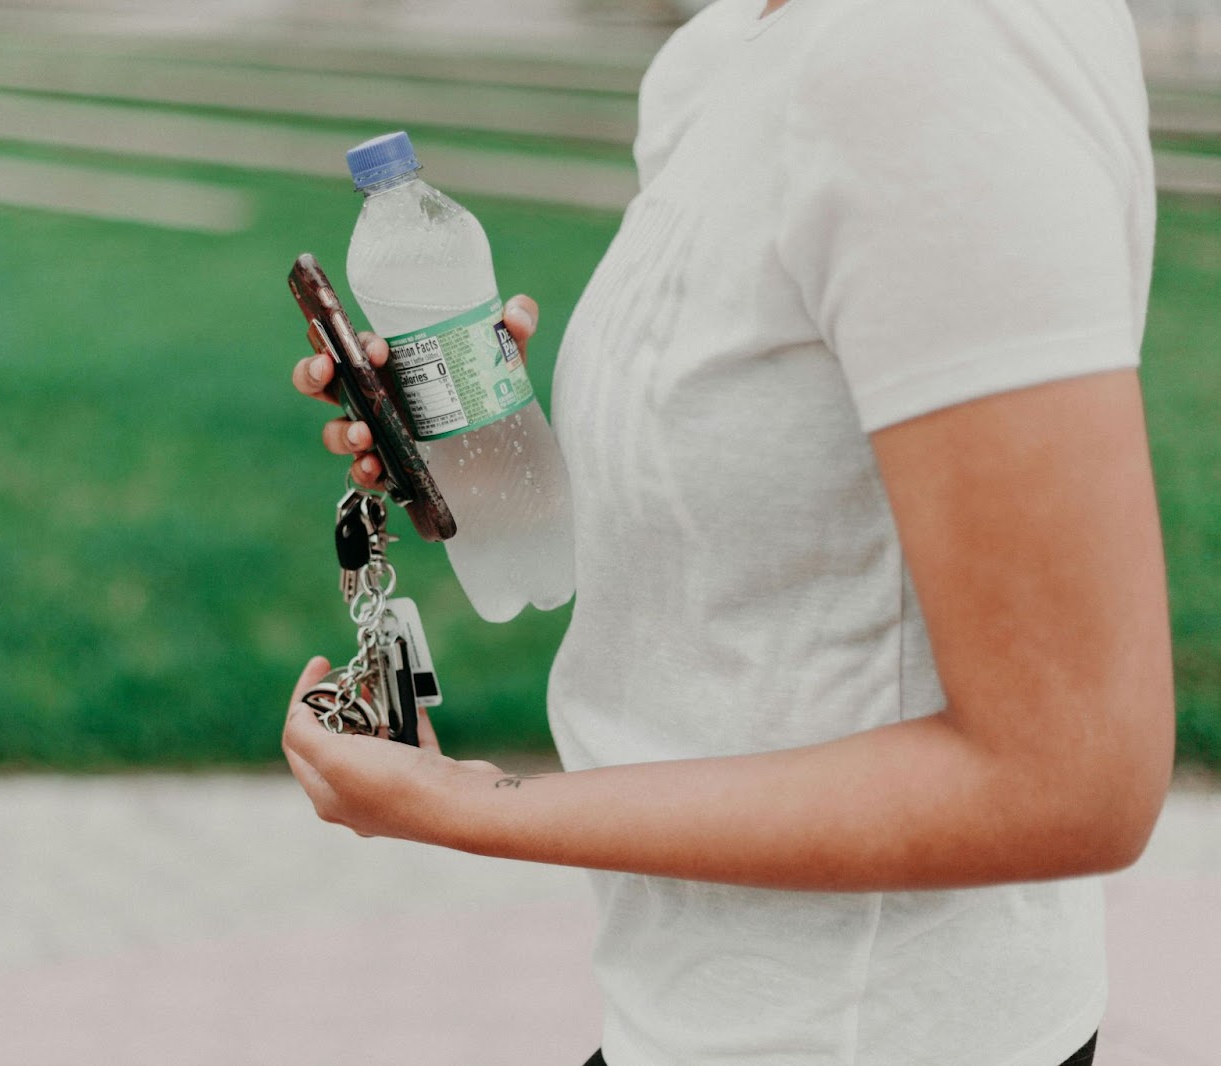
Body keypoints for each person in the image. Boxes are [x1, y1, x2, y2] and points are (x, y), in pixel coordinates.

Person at [284, 0, 1173, 1062]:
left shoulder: (941, 42)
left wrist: (474, 805)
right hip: (687, 1015)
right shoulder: (719, 57)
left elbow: (1071, 780)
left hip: (867, 1033)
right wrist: (478, 445)